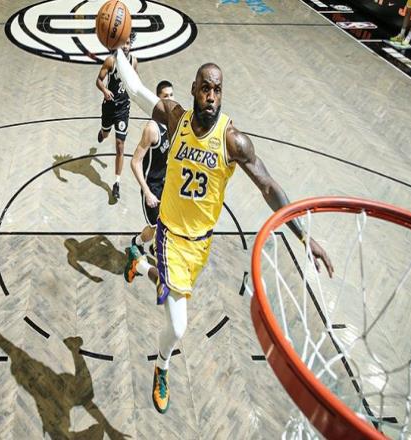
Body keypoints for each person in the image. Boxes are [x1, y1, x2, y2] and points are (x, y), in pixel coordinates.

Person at [114, 50, 335, 415]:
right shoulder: (176, 118)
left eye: (217, 90)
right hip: (169, 235)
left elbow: (268, 186)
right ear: (193, 89)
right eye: (205, 89)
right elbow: (136, 89)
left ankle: (139, 266)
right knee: (178, 325)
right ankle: (162, 367)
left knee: (172, 293)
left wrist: (303, 236)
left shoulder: (233, 141)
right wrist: (116, 49)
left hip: (201, 244)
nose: (211, 97)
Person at [130, 80, 174, 255]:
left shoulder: (174, 122)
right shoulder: (152, 129)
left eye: (171, 95)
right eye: (165, 96)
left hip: (166, 184)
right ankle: (137, 241)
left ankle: (156, 247)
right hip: (152, 186)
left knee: (168, 224)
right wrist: (147, 192)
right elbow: (135, 162)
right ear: (158, 100)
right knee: (155, 226)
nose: (170, 99)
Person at [96, 32, 137, 200]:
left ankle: (116, 183)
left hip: (123, 109)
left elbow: (134, 82)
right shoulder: (110, 61)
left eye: (128, 43)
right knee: (106, 135)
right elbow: (98, 80)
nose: (126, 46)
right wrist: (105, 90)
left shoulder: (134, 61)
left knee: (120, 145)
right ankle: (102, 132)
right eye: (123, 43)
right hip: (109, 107)